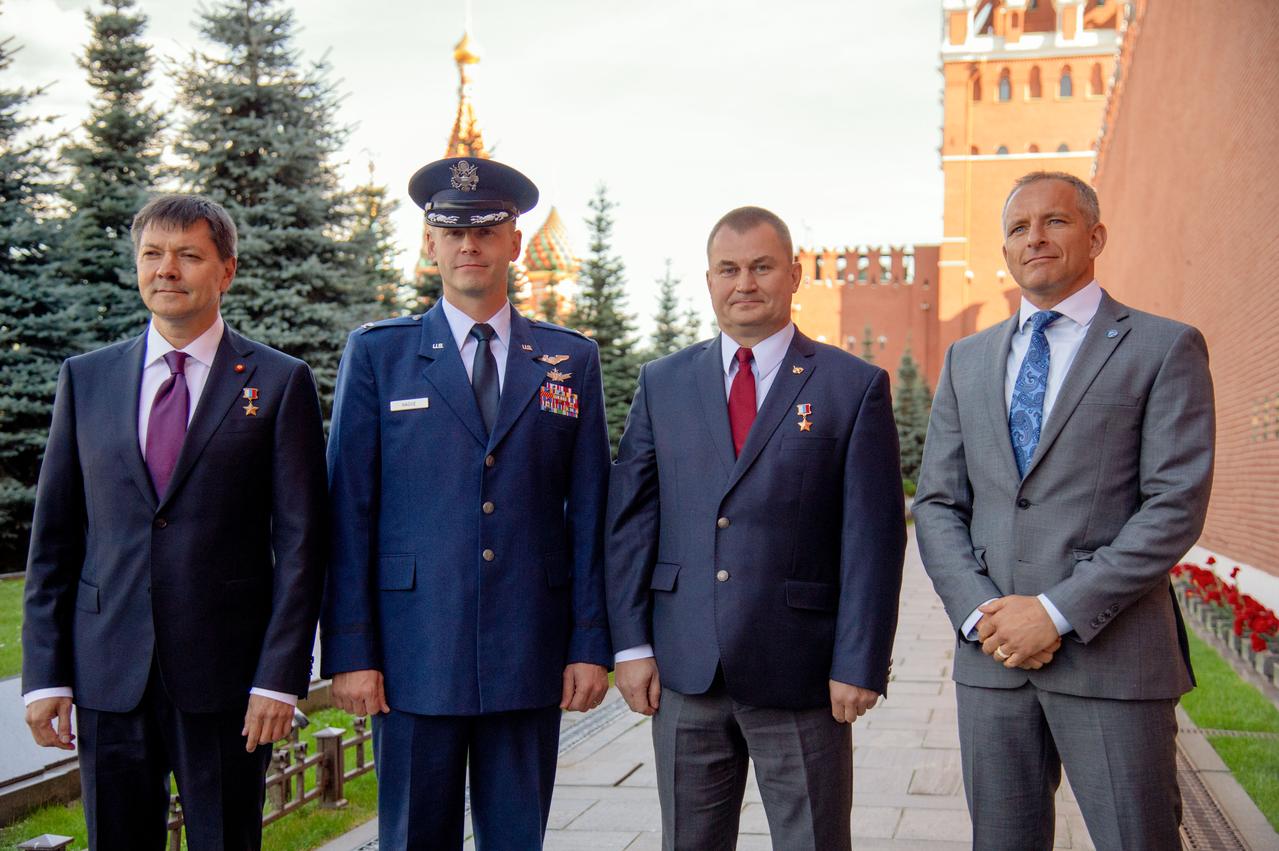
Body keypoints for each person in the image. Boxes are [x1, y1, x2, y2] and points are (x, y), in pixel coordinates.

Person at [913, 171, 1215, 850]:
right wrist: (979, 612)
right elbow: (936, 502)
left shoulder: (1161, 347)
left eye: (1053, 221)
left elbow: (1173, 505)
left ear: (1095, 235)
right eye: (1017, 228)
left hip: (1111, 660)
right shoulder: (966, 359)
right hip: (991, 663)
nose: (1034, 239)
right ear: (1004, 251)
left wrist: (1051, 612)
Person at [321, 156, 612, 850]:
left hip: (528, 649)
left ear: (515, 240)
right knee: (415, 838)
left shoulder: (570, 360)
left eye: (486, 228)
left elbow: (591, 512)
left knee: (517, 839)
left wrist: (589, 641)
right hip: (412, 652)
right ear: (428, 243)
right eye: (451, 230)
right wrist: (351, 650)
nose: (468, 245)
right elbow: (348, 511)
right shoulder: (378, 356)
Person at [21, 194, 329, 850]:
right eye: (152, 254)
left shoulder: (277, 383)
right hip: (109, 672)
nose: (167, 269)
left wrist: (279, 675)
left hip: (226, 679)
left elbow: (302, 544)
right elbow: (54, 541)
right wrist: (45, 675)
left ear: (226, 271)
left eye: (188, 254)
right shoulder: (87, 379)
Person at [606, 206, 906, 850]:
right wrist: (629, 646)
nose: (745, 282)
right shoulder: (664, 383)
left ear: (794, 274)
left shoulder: (852, 387)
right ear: (709, 280)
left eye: (762, 267)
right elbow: (631, 521)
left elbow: (873, 541)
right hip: (686, 670)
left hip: (801, 673)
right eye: (728, 269)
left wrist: (860, 661)